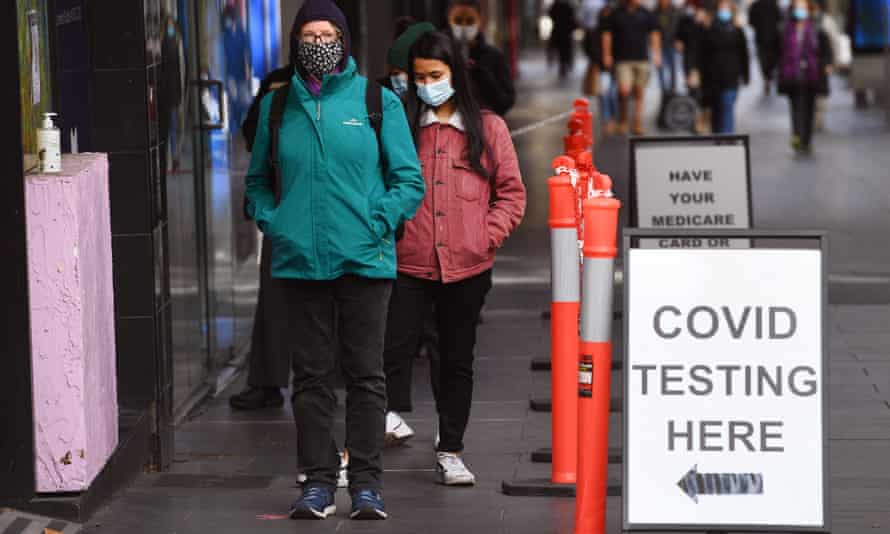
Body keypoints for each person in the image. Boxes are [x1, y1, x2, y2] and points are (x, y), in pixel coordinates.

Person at [244, 0, 425, 520]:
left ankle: (367, 486)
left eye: (327, 33)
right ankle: (318, 484)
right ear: (296, 42)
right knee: (312, 378)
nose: (318, 43)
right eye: (309, 34)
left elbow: (407, 180)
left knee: (367, 376)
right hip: (301, 262)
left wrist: (378, 221)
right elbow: (257, 182)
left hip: (366, 261)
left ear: (343, 39)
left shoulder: (377, 101)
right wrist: (274, 221)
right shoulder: (279, 109)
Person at [382, 31, 526, 486]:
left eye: (436, 75)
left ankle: (451, 449)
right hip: (407, 263)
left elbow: (511, 194)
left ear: (457, 74)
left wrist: (486, 236)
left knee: (456, 359)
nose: (426, 85)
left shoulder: (489, 129)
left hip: (467, 266)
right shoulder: (400, 125)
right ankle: (359, 450)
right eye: (419, 76)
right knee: (388, 355)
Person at [777, 0, 833, 154]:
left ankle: (806, 140)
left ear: (809, 9)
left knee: (809, 108)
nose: (800, 10)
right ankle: (797, 136)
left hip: (812, 74)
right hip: (792, 74)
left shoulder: (816, 27)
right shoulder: (786, 28)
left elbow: (825, 49)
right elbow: (780, 50)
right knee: (795, 107)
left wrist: (827, 64)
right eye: (797, 7)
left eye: (803, 7)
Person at [601, 0, 662, 135]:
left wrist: (657, 54)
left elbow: (654, 34)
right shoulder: (616, 13)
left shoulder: (647, 14)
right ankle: (623, 120)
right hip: (622, 59)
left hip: (642, 59)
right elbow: (607, 35)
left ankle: (637, 122)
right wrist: (607, 54)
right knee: (624, 91)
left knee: (639, 92)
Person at [447, 0, 517, 116]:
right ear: (449, 19)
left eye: (470, 21)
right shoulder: (439, 54)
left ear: (480, 21)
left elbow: (506, 101)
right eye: (458, 21)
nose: (464, 26)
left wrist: (482, 75)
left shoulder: (494, 56)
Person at [700, 0, 749, 133]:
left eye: (727, 8)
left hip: (731, 76)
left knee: (727, 107)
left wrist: (745, 75)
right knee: (716, 110)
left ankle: (727, 138)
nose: (724, 11)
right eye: (722, 8)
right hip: (713, 77)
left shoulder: (737, 30)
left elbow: (744, 54)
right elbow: (702, 54)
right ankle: (718, 138)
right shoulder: (708, 29)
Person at [675, 0, 709, 133]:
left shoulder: (707, 16)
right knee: (694, 92)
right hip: (691, 62)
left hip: (708, 63)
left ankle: (705, 119)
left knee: (706, 92)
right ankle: (695, 120)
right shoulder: (685, 19)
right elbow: (679, 41)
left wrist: (704, 22)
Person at [654, 0, 682, 125]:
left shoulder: (675, 10)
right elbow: (654, 32)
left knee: (673, 79)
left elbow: (679, 28)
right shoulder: (656, 11)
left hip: (672, 47)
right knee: (663, 82)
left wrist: (678, 40)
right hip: (660, 48)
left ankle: (671, 108)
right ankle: (664, 108)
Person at [748, 0, 783, 95]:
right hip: (772, 38)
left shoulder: (756, 5)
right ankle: (769, 76)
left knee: (764, 59)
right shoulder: (774, 4)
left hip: (762, 38)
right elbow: (780, 19)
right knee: (771, 59)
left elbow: (750, 22)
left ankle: (767, 77)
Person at [549, 0, 578, 79]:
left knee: (561, 49)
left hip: (559, 31)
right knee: (565, 49)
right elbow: (572, 18)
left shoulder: (556, 6)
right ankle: (566, 63)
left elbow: (551, 15)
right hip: (566, 32)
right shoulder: (567, 6)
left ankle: (564, 63)